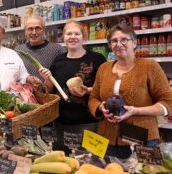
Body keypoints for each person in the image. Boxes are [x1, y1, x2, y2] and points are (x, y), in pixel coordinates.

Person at [88, 24, 172, 159]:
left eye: (124, 40)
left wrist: (136, 111)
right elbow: (94, 97)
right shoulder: (104, 68)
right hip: (107, 138)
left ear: (134, 43)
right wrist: (100, 108)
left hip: (142, 139)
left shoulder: (150, 66)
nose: (118, 44)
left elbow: (168, 103)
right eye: (114, 41)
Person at [39, 21, 106, 145]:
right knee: (64, 161)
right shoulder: (58, 61)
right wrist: (47, 78)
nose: (73, 37)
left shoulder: (97, 59)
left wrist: (89, 90)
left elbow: (106, 88)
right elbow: (49, 89)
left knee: (89, 161)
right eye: (69, 33)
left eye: (77, 33)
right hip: (61, 123)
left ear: (84, 37)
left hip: (90, 122)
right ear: (63, 37)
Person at [15, 15, 66, 80]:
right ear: (25, 31)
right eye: (30, 29)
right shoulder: (18, 51)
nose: (34, 32)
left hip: (49, 90)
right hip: (26, 89)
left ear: (44, 30)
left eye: (38, 28)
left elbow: (63, 75)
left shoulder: (58, 50)